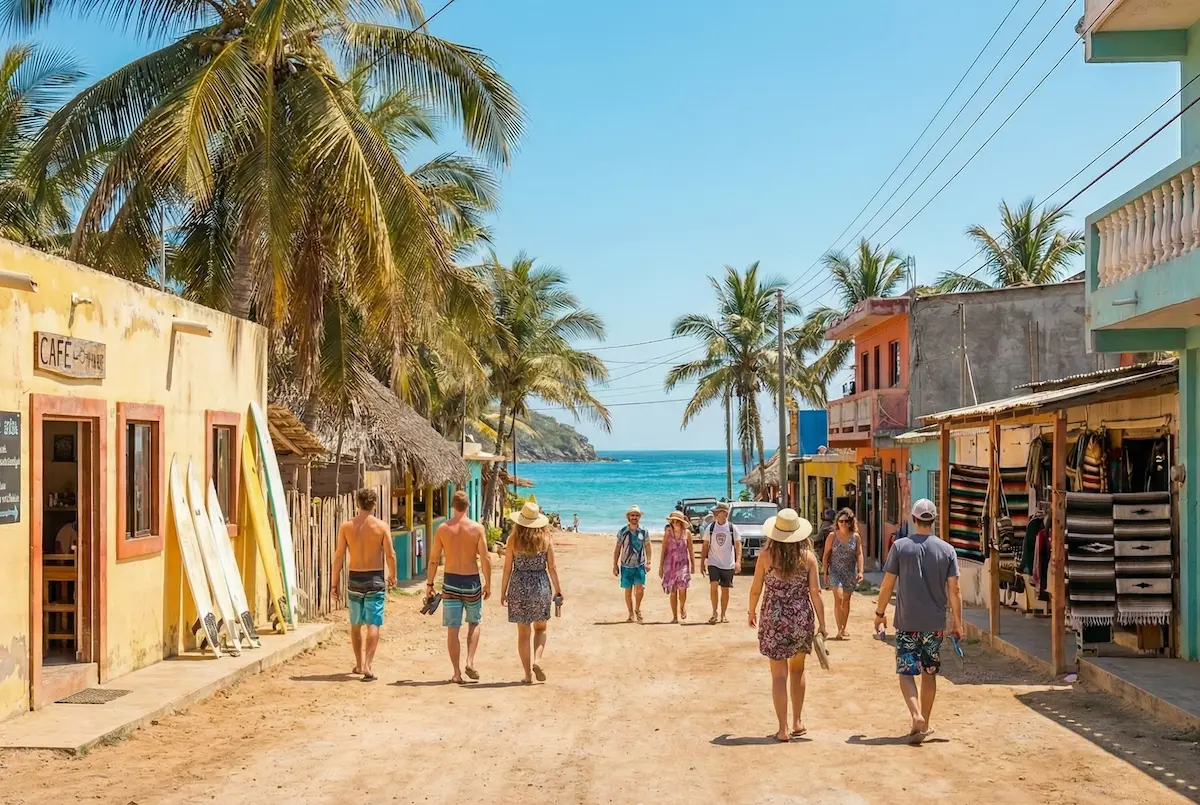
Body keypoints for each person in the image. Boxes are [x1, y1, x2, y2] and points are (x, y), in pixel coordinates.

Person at [874, 498, 964, 744]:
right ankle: (925, 721)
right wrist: (957, 622)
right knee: (929, 672)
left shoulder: (900, 547)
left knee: (906, 671)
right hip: (934, 625)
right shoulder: (947, 550)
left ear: (913, 520)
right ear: (934, 520)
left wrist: (880, 613)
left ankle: (916, 715)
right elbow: (954, 590)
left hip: (907, 622)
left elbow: (887, 584)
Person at [748, 509, 826, 743]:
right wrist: (823, 623)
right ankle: (797, 722)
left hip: (773, 619)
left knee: (778, 676)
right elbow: (816, 592)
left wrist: (751, 611)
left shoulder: (766, 556)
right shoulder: (808, 558)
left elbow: (756, 588)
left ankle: (782, 729)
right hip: (801, 619)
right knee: (798, 670)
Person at [331, 488, 397, 682]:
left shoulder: (346, 527)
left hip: (355, 579)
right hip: (375, 578)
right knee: (373, 623)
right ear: (374, 504)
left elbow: (339, 556)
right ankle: (368, 665)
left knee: (355, 624)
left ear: (357, 503)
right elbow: (390, 554)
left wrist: (334, 583)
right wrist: (392, 575)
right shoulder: (381, 526)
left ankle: (359, 664)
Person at [426, 490, 492, 683]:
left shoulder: (443, 529)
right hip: (471, 581)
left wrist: (429, 584)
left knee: (453, 628)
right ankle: (470, 661)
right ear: (468, 506)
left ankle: (456, 673)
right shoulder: (477, 528)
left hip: (450, 582)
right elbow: (485, 558)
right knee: (474, 622)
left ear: (452, 506)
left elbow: (433, 559)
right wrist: (488, 583)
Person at [500, 502, 563, 684]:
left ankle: (527, 675)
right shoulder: (546, 539)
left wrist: (503, 592)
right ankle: (537, 660)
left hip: (518, 585)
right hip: (540, 585)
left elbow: (507, 568)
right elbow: (552, 567)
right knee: (541, 628)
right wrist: (558, 590)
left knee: (523, 634)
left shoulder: (513, 540)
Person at [822, 508, 865, 639]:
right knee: (839, 598)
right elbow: (826, 555)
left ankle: (843, 628)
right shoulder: (832, 536)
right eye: (841, 521)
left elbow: (859, 554)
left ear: (851, 522)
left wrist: (861, 571)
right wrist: (825, 573)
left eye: (846, 521)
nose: (844, 524)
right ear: (837, 522)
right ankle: (839, 629)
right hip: (835, 571)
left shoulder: (855, 537)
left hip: (850, 572)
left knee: (846, 600)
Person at [700, 501, 741, 624]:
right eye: (715, 512)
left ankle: (723, 614)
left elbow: (738, 545)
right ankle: (714, 612)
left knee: (725, 590)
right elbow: (705, 545)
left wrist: (738, 561)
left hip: (728, 563)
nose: (716, 514)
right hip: (713, 562)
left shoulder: (732, 528)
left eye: (718, 512)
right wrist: (702, 562)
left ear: (724, 513)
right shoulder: (711, 528)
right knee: (713, 586)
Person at [613, 504, 652, 623]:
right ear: (628, 517)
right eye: (632, 515)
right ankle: (630, 614)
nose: (634, 517)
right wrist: (615, 564)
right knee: (628, 590)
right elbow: (618, 548)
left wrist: (649, 561)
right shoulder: (623, 531)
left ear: (639, 517)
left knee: (640, 589)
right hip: (626, 566)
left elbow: (648, 546)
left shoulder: (644, 531)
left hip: (640, 565)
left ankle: (637, 609)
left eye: (636, 515)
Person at [659, 510, 695, 623]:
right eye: (673, 521)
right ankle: (675, 617)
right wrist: (660, 567)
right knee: (673, 591)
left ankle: (682, 606)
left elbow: (691, 550)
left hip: (683, 565)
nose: (675, 523)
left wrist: (693, 565)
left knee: (683, 589)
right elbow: (663, 550)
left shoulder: (687, 533)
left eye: (677, 521)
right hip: (670, 565)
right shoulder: (668, 533)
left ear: (681, 522)